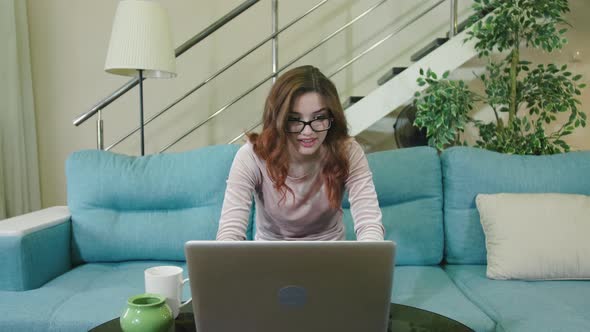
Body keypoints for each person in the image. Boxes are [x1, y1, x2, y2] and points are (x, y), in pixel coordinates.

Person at [216, 65, 384, 241]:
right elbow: (230, 234)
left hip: (331, 259)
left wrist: (370, 259)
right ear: (278, 120)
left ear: (332, 117)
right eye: (295, 120)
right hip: (270, 259)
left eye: (319, 118)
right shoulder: (252, 156)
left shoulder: (347, 151)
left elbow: (369, 225)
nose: (308, 132)